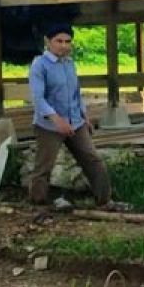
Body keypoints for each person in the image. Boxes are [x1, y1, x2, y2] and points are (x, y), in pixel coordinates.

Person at [27, 23, 113, 207]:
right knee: (44, 167)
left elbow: (76, 93)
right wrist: (57, 120)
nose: (64, 45)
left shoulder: (69, 63)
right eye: (59, 41)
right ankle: (37, 204)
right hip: (49, 126)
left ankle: (105, 200)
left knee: (92, 159)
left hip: (75, 122)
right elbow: (38, 98)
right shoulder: (39, 65)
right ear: (48, 42)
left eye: (68, 41)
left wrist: (85, 117)